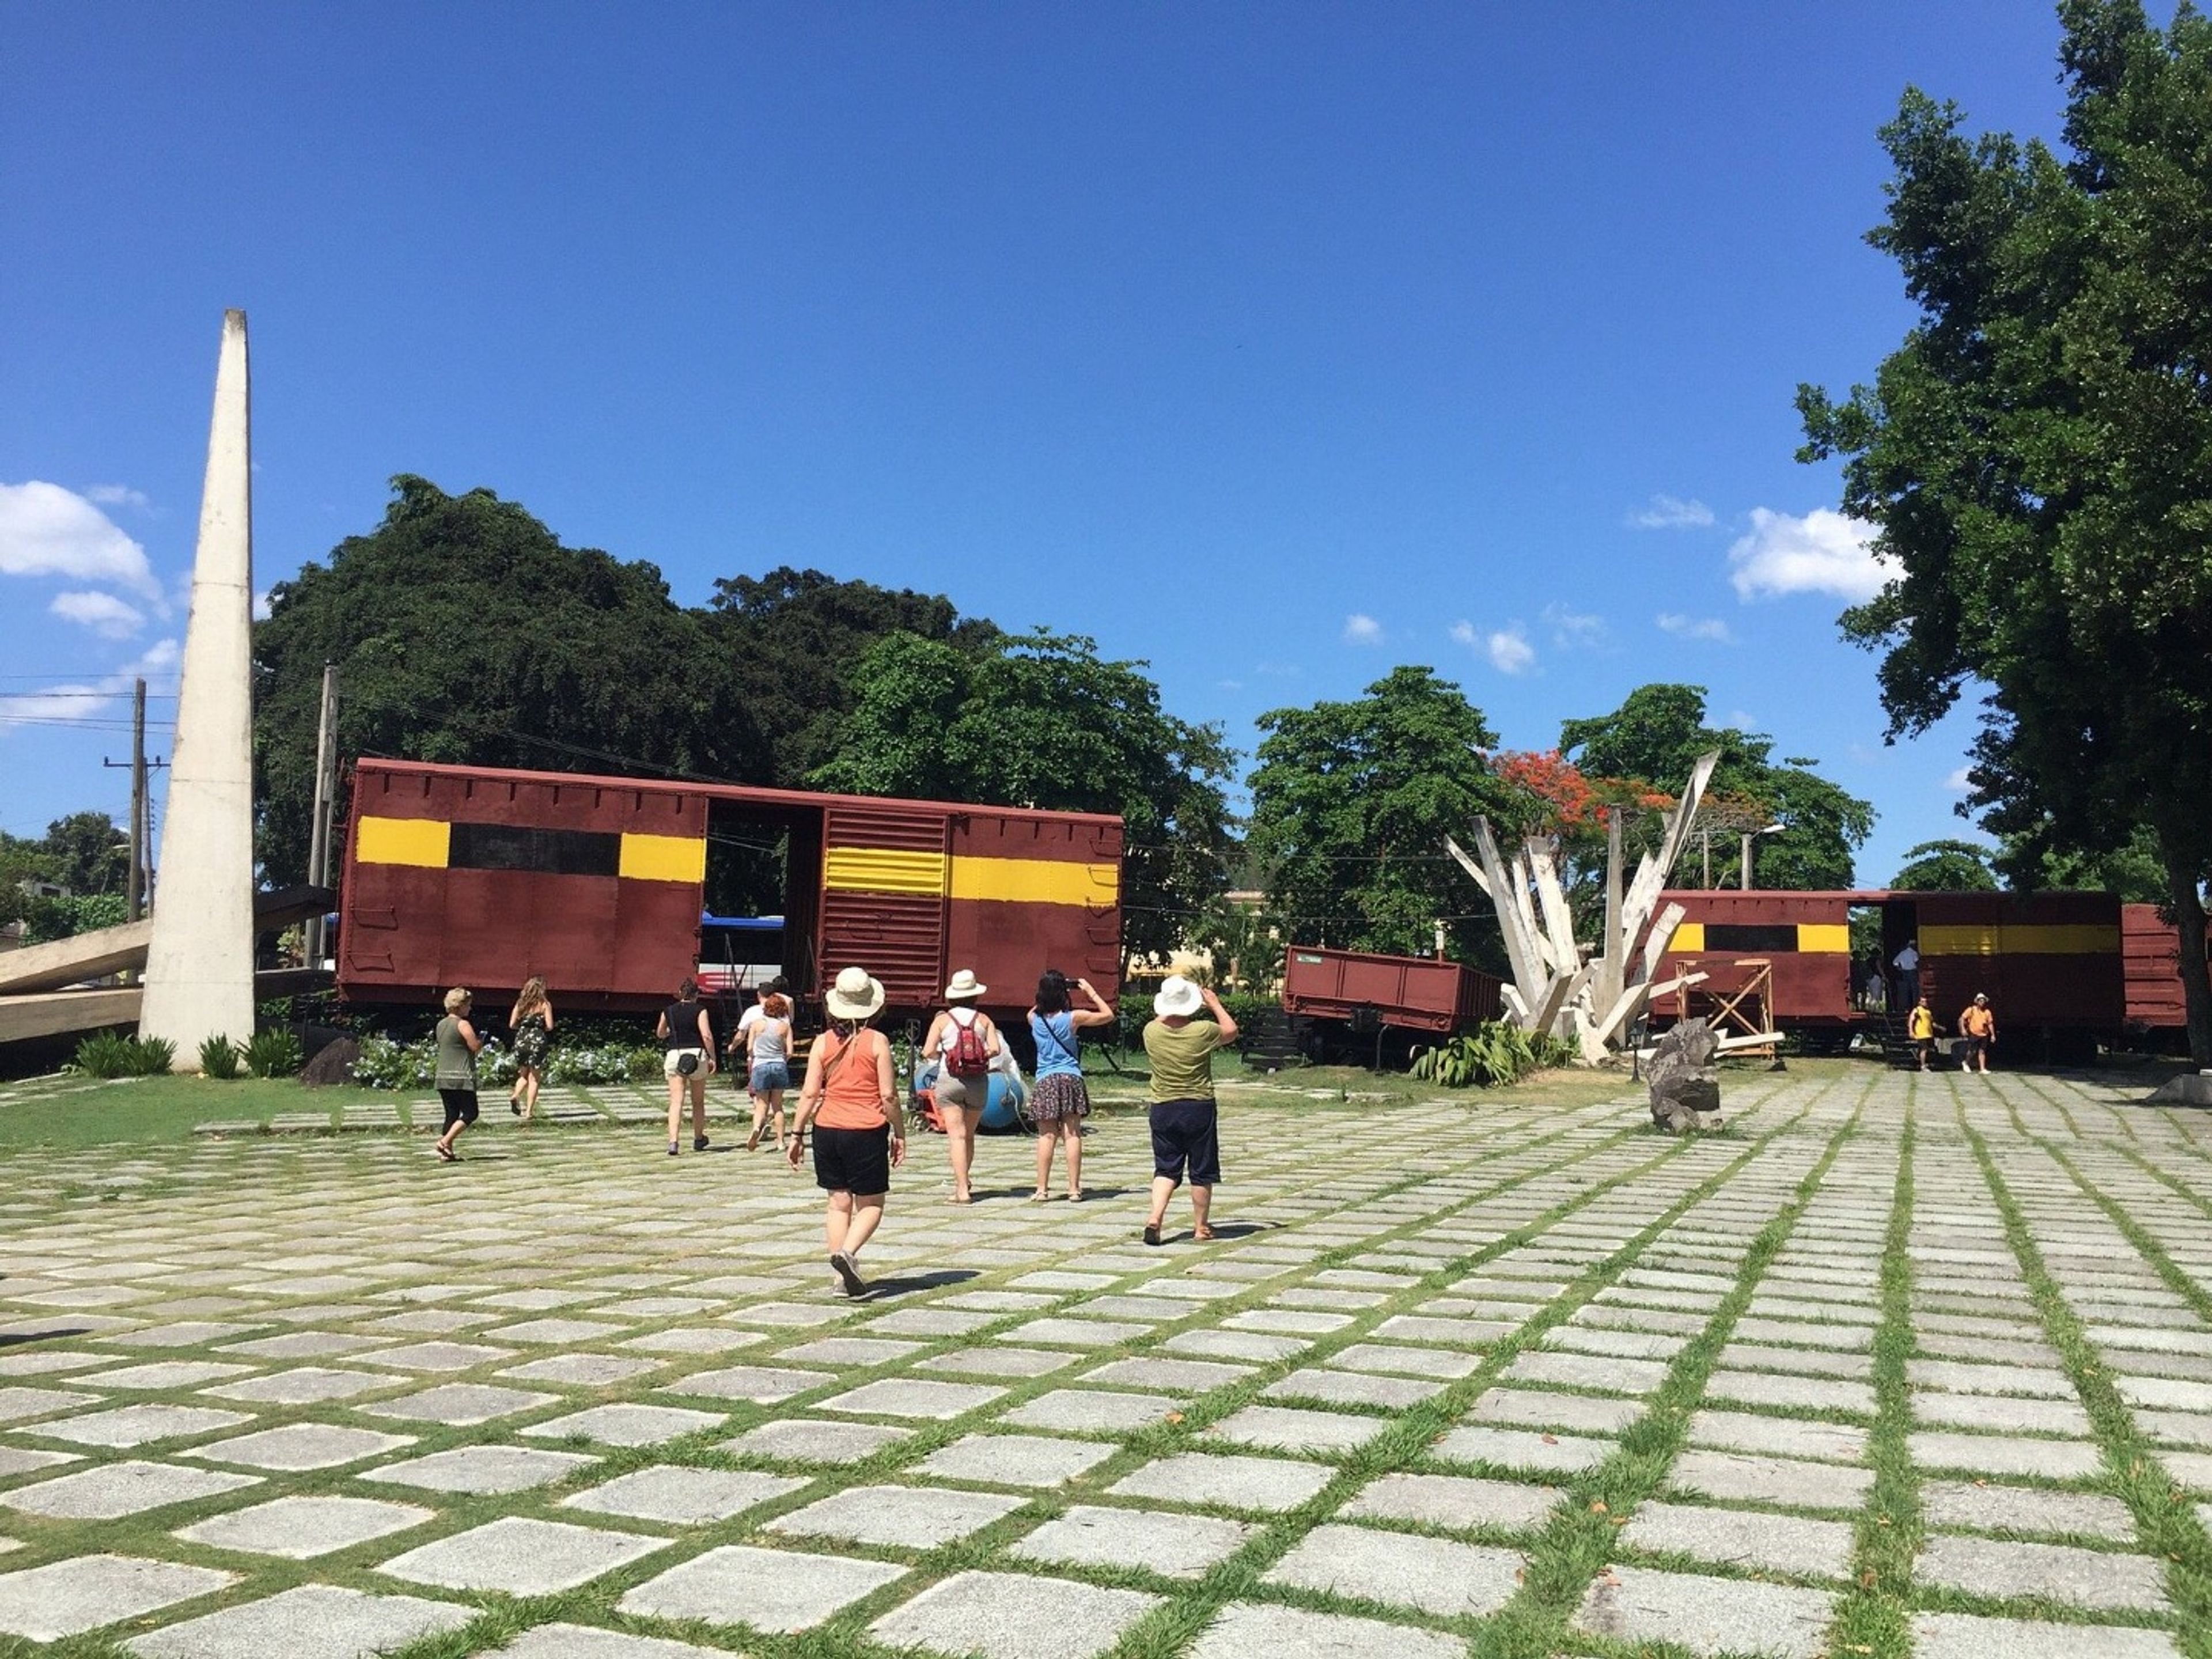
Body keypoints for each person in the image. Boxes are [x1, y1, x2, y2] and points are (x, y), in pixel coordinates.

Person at [787, 965, 905, 1296]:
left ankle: (840, 1280)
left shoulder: (822, 1043)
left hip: (826, 1129)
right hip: (866, 1130)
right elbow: (888, 1096)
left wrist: (796, 1135)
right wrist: (900, 1133)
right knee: (871, 1205)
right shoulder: (877, 1041)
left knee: (838, 1204)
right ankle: (848, 1254)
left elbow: (810, 1093)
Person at [1141, 975, 1238, 1246]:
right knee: (1201, 1170)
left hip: (1163, 1107)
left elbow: (1161, 1019)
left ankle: (1155, 1217)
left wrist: (1169, 1006)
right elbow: (1231, 1031)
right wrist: (1215, 1004)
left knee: (1166, 1169)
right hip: (1198, 1107)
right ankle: (1200, 1227)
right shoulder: (1203, 1030)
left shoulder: (1151, 1031)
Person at [1028, 969, 1116, 1203]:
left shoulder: (1034, 1020)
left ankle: (1041, 1189)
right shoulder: (1073, 1018)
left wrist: (1047, 991)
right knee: (1072, 1134)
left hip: (1045, 1079)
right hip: (1070, 1077)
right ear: (1063, 994)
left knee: (1046, 1136)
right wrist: (1090, 992)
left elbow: (1034, 1009)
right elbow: (1108, 1015)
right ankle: (1074, 1189)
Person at [922, 969, 1000, 1205]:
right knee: (969, 1135)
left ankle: (962, 1190)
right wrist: (977, 1056)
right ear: (975, 996)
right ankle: (966, 1183)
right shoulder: (984, 1020)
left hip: (950, 1081)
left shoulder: (942, 1020)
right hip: (978, 1083)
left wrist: (944, 1055)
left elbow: (928, 1051)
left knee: (956, 1137)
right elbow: (995, 1050)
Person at [657, 976, 717, 1156]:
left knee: (676, 1101)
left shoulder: (668, 1010)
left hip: (675, 1055)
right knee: (698, 1102)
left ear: (681, 994)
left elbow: (660, 1033)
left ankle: (673, 1142)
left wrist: (670, 1032)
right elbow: (706, 1035)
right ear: (696, 995)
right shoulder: (700, 1010)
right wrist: (712, 1057)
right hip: (696, 1055)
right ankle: (699, 1138)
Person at [737, 981, 794, 1152]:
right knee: (778, 1106)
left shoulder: (756, 1025)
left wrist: (756, 1057)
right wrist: (782, 1058)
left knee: (761, 1104)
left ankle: (756, 1128)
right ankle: (780, 1142)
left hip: (761, 1065)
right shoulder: (785, 1027)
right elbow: (790, 1051)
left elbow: (749, 1048)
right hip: (778, 1065)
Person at [433, 987, 486, 1163]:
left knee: (451, 1114)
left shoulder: (441, 1025)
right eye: (468, 1005)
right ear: (460, 1006)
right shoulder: (463, 1024)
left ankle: (447, 1153)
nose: (470, 1009)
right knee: (471, 1113)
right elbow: (474, 1046)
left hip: (443, 1075)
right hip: (461, 1076)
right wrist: (481, 1041)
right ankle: (444, 1142)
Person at [506, 976, 554, 1120]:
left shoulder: (520, 1004)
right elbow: (550, 1026)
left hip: (521, 1040)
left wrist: (523, 1028)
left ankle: (515, 1095)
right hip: (537, 1041)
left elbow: (512, 1024)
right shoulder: (545, 1004)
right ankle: (529, 1113)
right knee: (534, 1079)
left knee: (523, 1074)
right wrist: (539, 1029)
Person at [1958, 991, 1997, 1073]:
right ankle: (1966, 1062)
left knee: (1982, 1051)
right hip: (1974, 1033)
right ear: (1977, 1002)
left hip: (1984, 1034)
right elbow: (1962, 1018)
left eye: (1984, 1001)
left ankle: (1982, 1069)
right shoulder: (1971, 1010)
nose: (1982, 1003)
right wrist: (1963, 1029)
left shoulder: (1987, 1012)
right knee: (1972, 1050)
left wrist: (1993, 1035)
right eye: (1981, 1001)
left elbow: (1990, 1024)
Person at [1908, 994, 1936, 1071]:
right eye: (1923, 1001)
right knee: (1924, 1049)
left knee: (1928, 1049)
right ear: (1920, 1002)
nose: (1925, 1003)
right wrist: (1911, 1031)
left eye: (1926, 1001)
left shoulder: (1928, 1012)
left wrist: (1940, 1027)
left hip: (1929, 1033)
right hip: (1921, 1033)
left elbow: (1931, 1022)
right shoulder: (1917, 1010)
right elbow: (1911, 1020)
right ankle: (1923, 1066)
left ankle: (1917, 1056)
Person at [1893, 938, 1921, 1010]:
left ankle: (1907, 1007)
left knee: (1906, 990)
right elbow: (1917, 962)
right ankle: (1915, 1006)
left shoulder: (1902, 953)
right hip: (1913, 972)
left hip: (1905, 972)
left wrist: (1899, 968)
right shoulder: (1914, 953)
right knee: (1914, 990)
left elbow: (1895, 962)